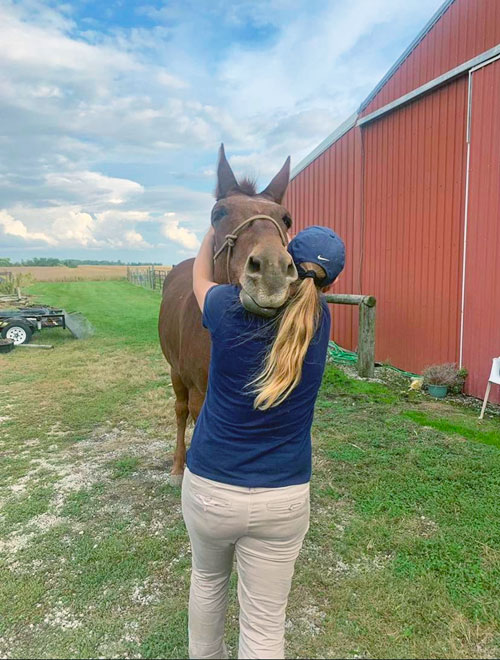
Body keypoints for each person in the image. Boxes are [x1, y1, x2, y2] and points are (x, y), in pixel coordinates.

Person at [182, 225, 346, 659]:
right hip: (284, 499)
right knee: (265, 624)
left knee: (208, 582)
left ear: (285, 262)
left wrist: (211, 235)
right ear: (331, 282)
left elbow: (200, 279)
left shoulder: (223, 309)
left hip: (211, 489)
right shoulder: (322, 319)